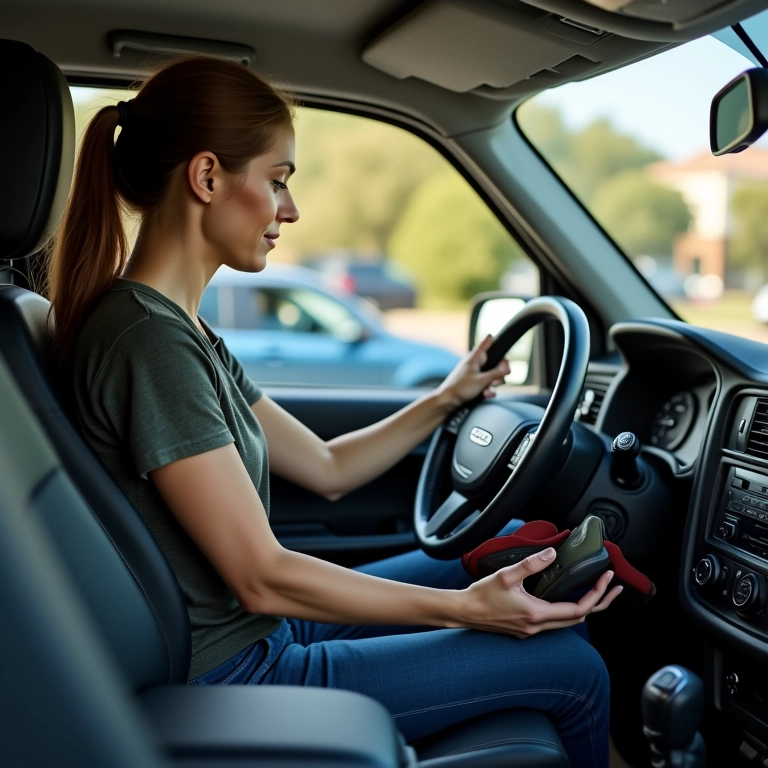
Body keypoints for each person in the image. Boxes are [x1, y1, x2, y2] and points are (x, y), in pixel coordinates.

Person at [48, 56, 622, 767]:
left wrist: (445, 398)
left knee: (509, 546)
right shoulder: (148, 342)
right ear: (206, 178)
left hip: (264, 632)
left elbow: (325, 467)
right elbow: (260, 574)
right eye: (278, 181)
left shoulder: (182, 329)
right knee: (574, 668)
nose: (289, 210)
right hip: (235, 669)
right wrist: (468, 609)